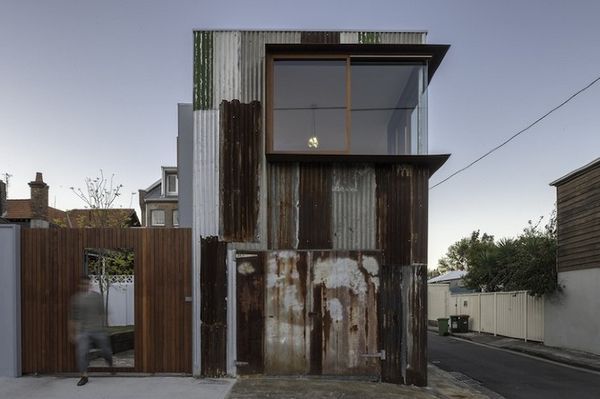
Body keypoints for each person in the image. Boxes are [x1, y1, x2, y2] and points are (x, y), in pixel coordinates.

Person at [69, 276, 113, 386]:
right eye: (82, 284)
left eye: (86, 284)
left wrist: (106, 325)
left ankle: (109, 361)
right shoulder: (76, 299)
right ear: (80, 285)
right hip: (83, 331)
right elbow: (72, 318)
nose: (85, 286)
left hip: (98, 329)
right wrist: (71, 333)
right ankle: (84, 376)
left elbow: (103, 313)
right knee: (82, 353)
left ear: (90, 284)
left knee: (106, 350)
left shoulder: (97, 297)